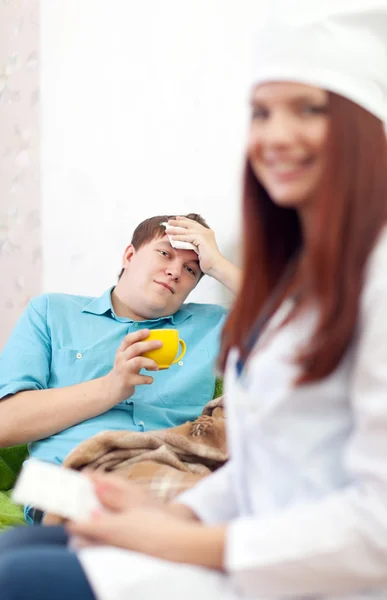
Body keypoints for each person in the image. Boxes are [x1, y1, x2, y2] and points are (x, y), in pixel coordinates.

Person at [2, 1, 387, 598]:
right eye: (261, 113)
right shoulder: (54, 312)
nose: (276, 135)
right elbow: (267, 468)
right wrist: (165, 510)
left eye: (308, 109)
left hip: (274, 548)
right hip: (134, 493)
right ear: (127, 255)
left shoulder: (322, 295)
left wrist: (175, 533)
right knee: (13, 552)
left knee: (18, 575)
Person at [0, 213, 240, 523]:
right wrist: (110, 387)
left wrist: (219, 264)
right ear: (129, 255)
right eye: (165, 253)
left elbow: (303, 322)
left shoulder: (213, 324)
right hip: (71, 476)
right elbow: (6, 424)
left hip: (175, 471)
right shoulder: (51, 312)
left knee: (242, 505)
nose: (174, 271)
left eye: (192, 269)